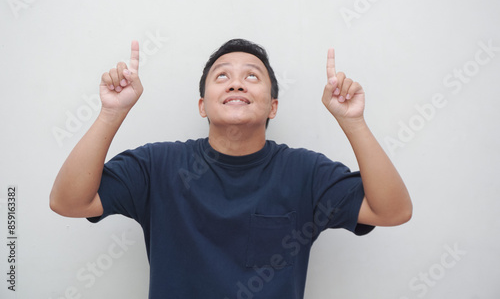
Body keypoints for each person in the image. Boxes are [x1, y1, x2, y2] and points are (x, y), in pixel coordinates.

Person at [50, 38, 412, 298]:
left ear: (273, 107)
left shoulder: (305, 172)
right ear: (202, 105)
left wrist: (353, 122)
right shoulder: (156, 166)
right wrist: (112, 112)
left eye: (252, 76)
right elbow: (69, 202)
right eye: (222, 76)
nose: (237, 82)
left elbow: (393, 210)